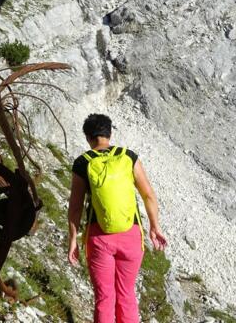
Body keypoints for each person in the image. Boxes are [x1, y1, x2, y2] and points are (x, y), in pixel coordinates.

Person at [67, 113, 167, 323]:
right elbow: (148, 195)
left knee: (104, 298)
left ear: (88, 137)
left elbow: (75, 207)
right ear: (109, 134)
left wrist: (73, 240)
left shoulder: (82, 163)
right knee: (126, 294)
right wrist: (154, 226)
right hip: (131, 236)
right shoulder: (128, 157)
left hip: (99, 237)